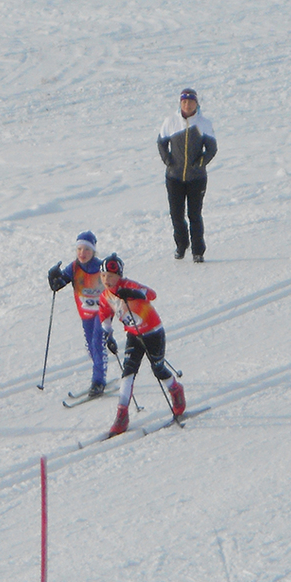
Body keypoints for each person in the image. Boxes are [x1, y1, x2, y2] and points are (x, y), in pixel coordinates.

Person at [97, 253, 184, 436]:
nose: (106, 280)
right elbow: (104, 314)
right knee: (128, 372)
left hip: (153, 332)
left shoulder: (128, 285)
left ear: (119, 276)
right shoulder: (105, 296)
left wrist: (133, 293)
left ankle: (175, 390)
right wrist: (108, 335)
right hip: (133, 335)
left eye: (111, 276)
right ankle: (122, 415)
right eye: (103, 276)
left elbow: (151, 294)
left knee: (158, 369)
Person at [157, 88, 218, 263]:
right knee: (176, 215)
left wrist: (201, 162)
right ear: (180, 103)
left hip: (196, 178)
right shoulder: (170, 121)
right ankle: (181, 245)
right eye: (184, 101)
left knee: (194, 215)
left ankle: (198, 251)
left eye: (191, 102)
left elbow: (212, 148)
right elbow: (161, 142)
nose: (187, 105)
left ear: (196, 104)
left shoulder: (203, 123)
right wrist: (167, 160)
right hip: (174, 177)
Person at [47, 231, 107, 396]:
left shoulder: (101, 267)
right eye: (79, 249)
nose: (82, 253)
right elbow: (60, 283)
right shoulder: (74, 267)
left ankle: (98, 380)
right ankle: (99, 370)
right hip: (85, 312)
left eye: (87, 250)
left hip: (102, 311)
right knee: (91, 344)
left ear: (93, 251)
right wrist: (53, 278)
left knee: (97, 342)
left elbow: (114, 283)